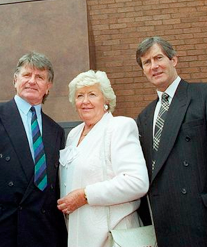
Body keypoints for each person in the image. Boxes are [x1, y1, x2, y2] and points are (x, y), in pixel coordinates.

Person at [134, 37, 207, 247]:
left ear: (174, 60)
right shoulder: (144, 117)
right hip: (164, 228)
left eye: (158, 58)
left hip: (205, 226)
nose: (154, 66)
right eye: (147, 62)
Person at [0, 52, 66, 247]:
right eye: (26, 75)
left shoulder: (56, 131)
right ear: (15, 80)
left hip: (43, 234)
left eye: (40, 77)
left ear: (48, 86)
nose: (32, 81)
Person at [56, 70, 148, 247]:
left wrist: (85, 195)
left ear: (105, 100)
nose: (85, 101)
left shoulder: (119, 126)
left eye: (92, 94)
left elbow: (137, 182)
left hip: (113, 236)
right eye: (79, 96)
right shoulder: (73, 135)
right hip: (78, 234)